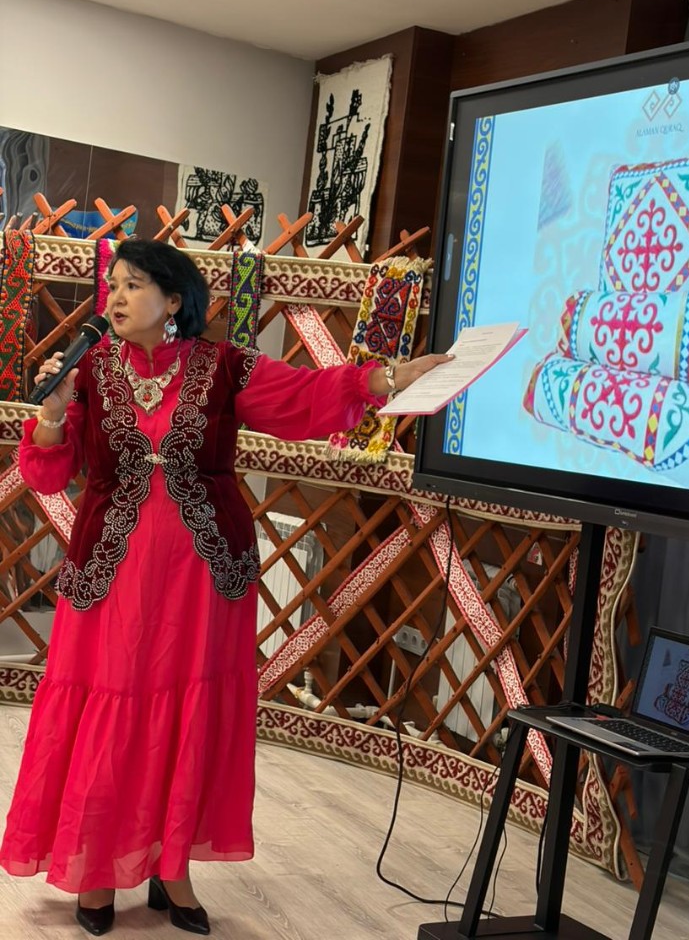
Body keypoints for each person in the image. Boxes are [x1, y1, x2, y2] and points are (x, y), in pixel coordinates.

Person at [0, 239, 449, 936]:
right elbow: (47, 475)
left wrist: (384, 379)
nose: (116, 298)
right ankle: (96, 869)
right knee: (110, 707)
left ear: (174, 300)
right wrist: (53, 410)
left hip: (204, 576)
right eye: (113, 286)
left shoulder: (224, 368)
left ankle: (171, 865)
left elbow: (307, 396)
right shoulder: (88, 371)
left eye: (133, 284)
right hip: (111, 574)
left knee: (189, 714)